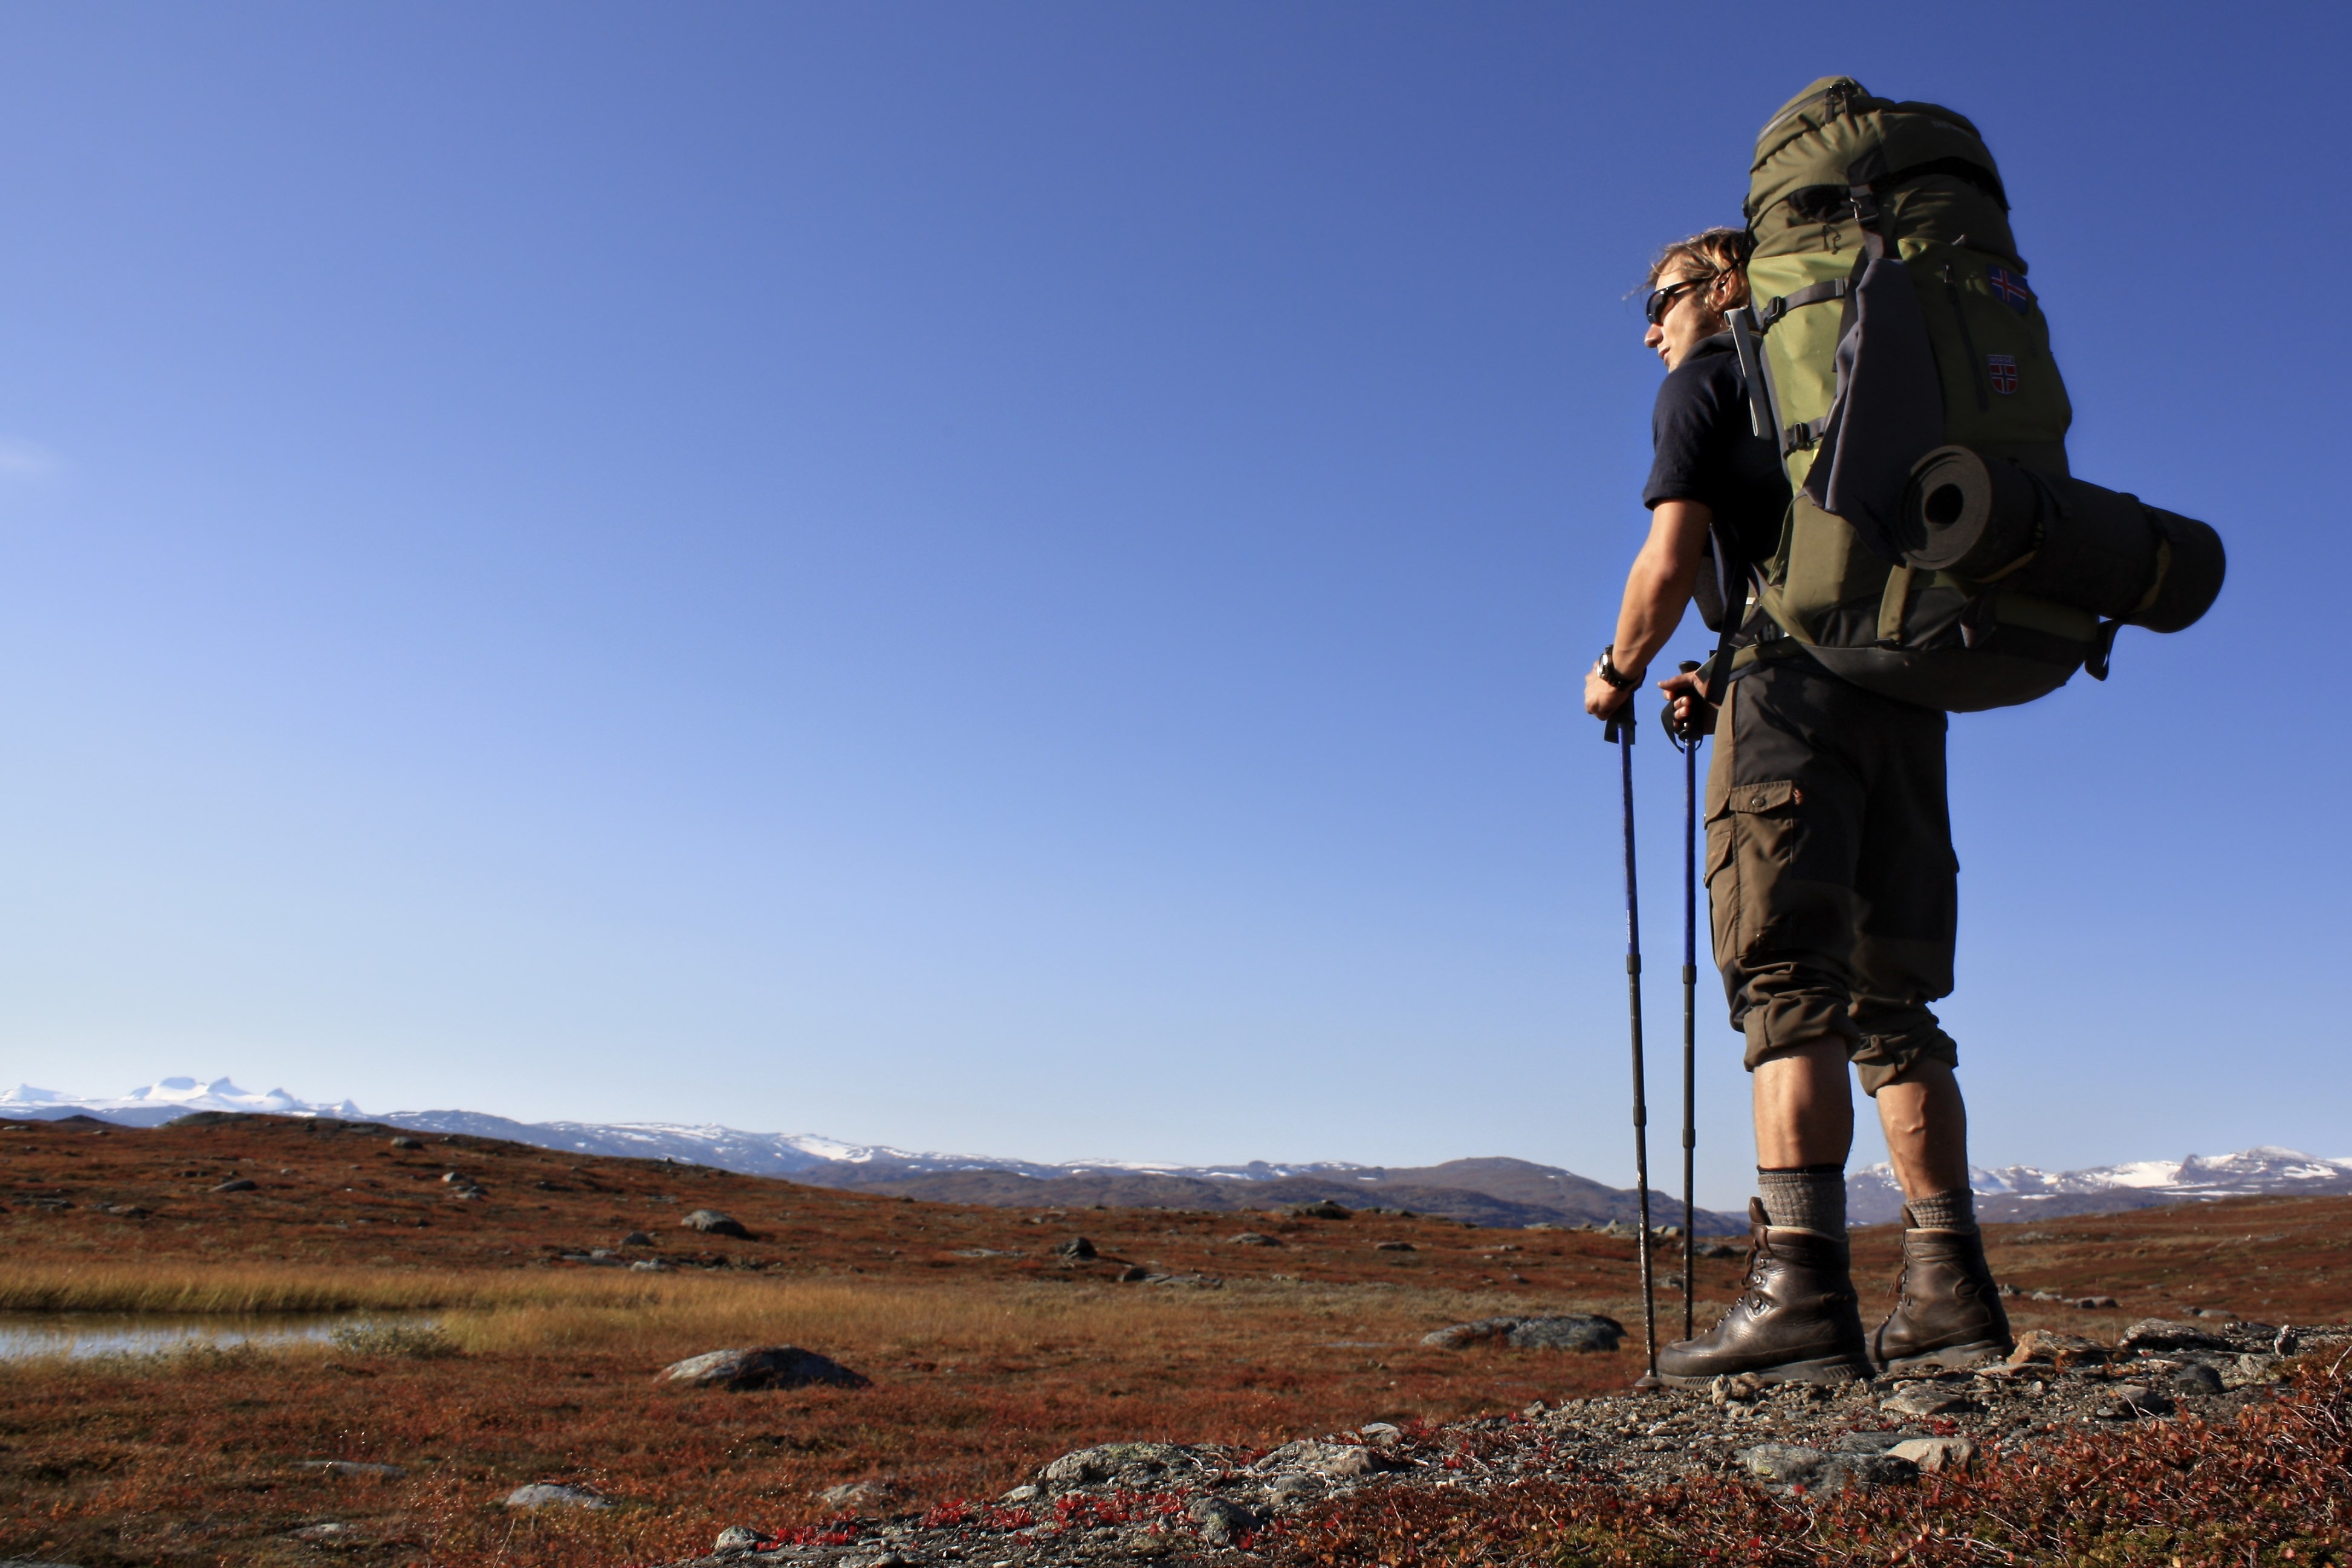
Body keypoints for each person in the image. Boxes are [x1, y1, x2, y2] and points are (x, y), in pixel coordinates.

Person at [1582, 228, 2012, 1385]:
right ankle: (1951, 1295)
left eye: (1664, 297)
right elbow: (1798, 573)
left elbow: (1668, 563)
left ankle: (1803, 1295)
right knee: (1899, 1008)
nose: (1652, 324)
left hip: (1790, 711)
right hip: (1904, 698)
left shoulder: (1706, 380)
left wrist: (1617, 670)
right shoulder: (1860, 387)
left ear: (1724, 288)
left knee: (1789, 992)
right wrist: (1713, 671)